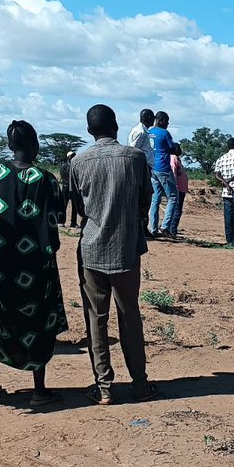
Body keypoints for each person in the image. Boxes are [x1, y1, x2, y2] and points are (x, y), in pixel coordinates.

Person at [67, 104, 158, 405]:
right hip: (126, 249)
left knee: (96, 318)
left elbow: (79, 207)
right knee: (130, 315)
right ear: (116, 126)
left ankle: (104, 386)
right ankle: (140, 385)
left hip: (92, 249)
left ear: (90, 130)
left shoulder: (78, 162)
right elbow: (146, 198)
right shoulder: (135, 158)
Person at [0, 121, 70, 405]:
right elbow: (59, 217)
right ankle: (38, 390)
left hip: (3, 257)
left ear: (9, 146)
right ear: (36, 145)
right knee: (37, 320)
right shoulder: (46, 179)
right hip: (35, 262)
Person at [147, 111, 178, 238]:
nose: (168, 124)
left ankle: (152, 227)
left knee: (155, 199)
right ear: (161, 120)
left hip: (152, 168)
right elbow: (172, 149)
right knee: (173, 197)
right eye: (166, 121)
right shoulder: (164, 133)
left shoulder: (149, 132)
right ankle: (165, 226)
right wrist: (176, 148)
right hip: (163, 168)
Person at [128, 109, 154, 235]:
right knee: (144, 197)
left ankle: (143, 227)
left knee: (146, 197)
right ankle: (140, 228)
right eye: (152, 117)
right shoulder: (140, 132)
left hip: (145, 167)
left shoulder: (144, 131)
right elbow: (133, 150)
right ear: (148, 117)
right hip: (141, 168)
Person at [167, 143, 189, 237]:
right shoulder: (173, 158)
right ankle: (172, 231)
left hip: (180, 189)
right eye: (178, 148)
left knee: (177, 210)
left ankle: (172, 230)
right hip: (177, 189)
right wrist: (174, 186)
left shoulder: (177, 159)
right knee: (176, 210)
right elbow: (173, 172)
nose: (180, 150)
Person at [60, 150, 80, 228]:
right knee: (63, 205)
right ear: (69, 157)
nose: (74, 157)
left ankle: (73, 222)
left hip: (70, 187)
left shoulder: (72, 165)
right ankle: (61, 221)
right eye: (72, 156)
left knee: (74, 206)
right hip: (67, 186)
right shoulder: (67, 166)